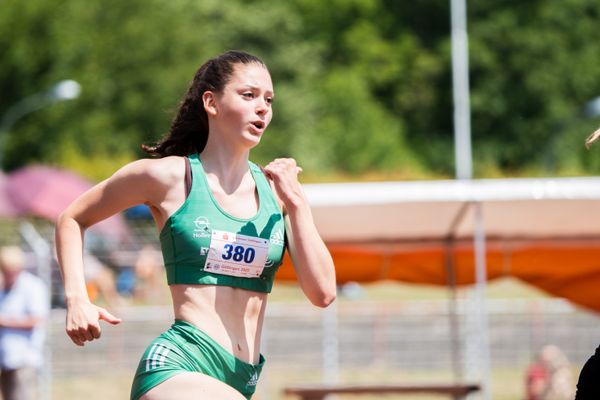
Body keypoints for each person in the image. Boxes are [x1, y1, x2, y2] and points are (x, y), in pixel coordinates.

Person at [55, 50, 337, 400]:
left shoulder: (277, 194)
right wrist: (77, 299)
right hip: (179, 364)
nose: (263, 107)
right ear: (211, 102)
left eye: (268, 99)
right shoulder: (169, 177)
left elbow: (323, 293)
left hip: (242, 378)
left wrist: (297, 203)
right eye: (248, 95)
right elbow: (72, 218)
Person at [0, 246, 49, 400]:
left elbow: (36, 320)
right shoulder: (3, 288)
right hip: (6, 359)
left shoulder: (32, 286)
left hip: (23, 359)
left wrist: (4, 322)